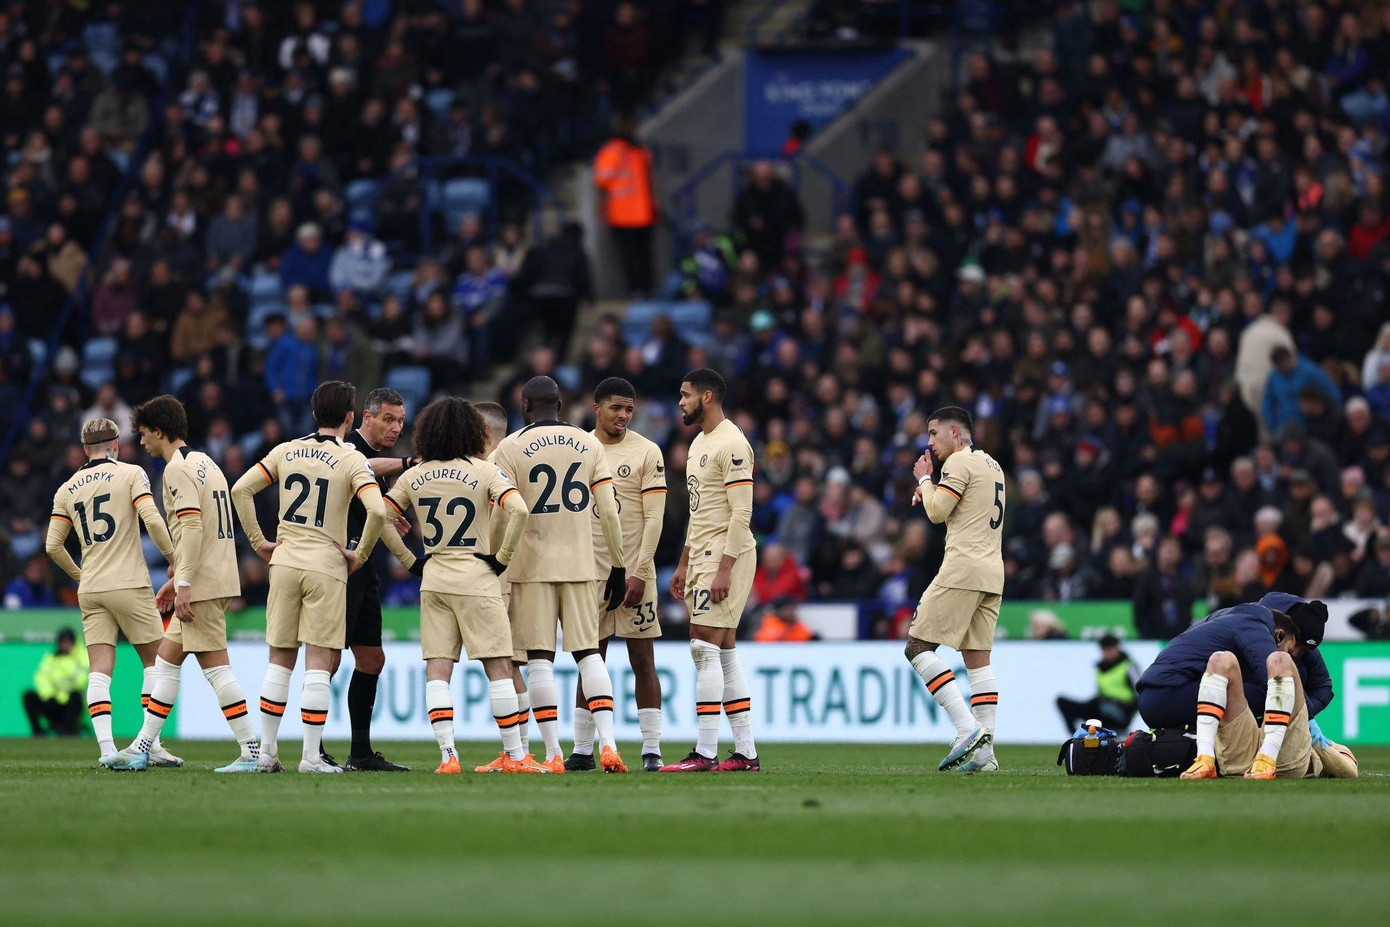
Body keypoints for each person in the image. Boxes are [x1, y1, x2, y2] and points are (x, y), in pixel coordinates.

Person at [230, 381, 413, 774]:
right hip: (327, 566)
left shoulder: (286, 449)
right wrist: (359, 555)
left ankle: (267, 753)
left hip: (284, 561)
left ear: (313, 414)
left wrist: (260, 542)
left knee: (279, 662)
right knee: (319, 662)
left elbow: (241, 489)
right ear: (352, 417)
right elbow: (378, 513)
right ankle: (312, 756)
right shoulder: (349, 458)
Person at [353, 397, 542, 774]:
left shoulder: (413, 475)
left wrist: (409, 561)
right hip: (476, 577)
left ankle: (448, 757)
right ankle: (516, 757)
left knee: (438, 671)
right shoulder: (484, 471)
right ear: (473, 431)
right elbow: (519, 510)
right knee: (499, 668)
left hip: (435, 577)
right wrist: (502, 557)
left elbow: (380, 517)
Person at [100, 396, 261, 772]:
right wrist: (175, 580)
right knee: (166, 663)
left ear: (159, 431)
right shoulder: (206, 462)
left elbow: (191, 526)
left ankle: (254, 753)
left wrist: (183, 580)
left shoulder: (175, 470)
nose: (140, 442)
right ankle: (142, 747)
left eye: (143, 434)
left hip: (202, 583)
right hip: (215, 574)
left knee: (217, 669)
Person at [491, 376, 629, 773]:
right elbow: (608, 510)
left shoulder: (510, 447)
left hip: (531, 566)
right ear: (561, 404)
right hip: (581, 564)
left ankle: (553, 754)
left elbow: (504, 512)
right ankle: (609, 744)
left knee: (539, 661)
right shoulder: (589, 444)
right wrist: (617, 565)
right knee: (589, 655)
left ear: (524, 404)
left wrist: (499, 559)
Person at [44, 418, 180, 768]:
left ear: (85, 449)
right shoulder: (131, 474)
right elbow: (151, 518)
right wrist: (174, 559)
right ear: (116, 444)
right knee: (156, 664)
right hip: (130, 583)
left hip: (91, 589)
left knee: (99, 671)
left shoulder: (67, 488)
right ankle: (149, 744)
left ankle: (106, 749)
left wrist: (80, 575)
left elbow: (52, 546)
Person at [566, 377, 667, 772]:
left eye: (629, 409)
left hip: (635, 573)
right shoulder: (578, 449)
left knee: (642, 659)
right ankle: (581, 749)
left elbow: (655, 518)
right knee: (590, 658)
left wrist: (640, 570)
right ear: (597, 409)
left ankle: (652, 749)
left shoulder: (647, 451)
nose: (623, 416)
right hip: (588, 573)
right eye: (616, 408)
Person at [663, 368, 761, 773]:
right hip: (702, 555)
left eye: (685, 395)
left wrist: (724, 569)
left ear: (706, 397)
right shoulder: (700, 443)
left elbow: (742, 512)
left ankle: (704, 752)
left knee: (703, 647)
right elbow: (699, 512)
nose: (680, 402)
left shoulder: (733, 444)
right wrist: (684, 562)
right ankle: (746, 753)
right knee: (723, 653)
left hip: (726, 556)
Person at [904, 406, 1006, 774]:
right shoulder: (992, 465)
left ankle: (967, 730)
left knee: (917, 646)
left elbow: (936, 512)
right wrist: (931, 493)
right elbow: (955, 508)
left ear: (955, 434)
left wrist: (924, 481)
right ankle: (986, 754)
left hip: (963, 566)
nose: (929, 442)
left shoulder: (958, 463)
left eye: (934, 434)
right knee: (977, 660)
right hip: (993, 571)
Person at [1134, 593, 1333, 779]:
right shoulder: (1254, 626)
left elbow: (1323, 684)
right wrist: (1302, 717)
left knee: (1244, 690)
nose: (1294, 655)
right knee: (1261, 694)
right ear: (1280, 635)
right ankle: (1259, 756)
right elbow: (1271, 677)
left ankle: (1211, 754)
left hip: (1158, 693)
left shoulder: (1239, 616)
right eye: (1293, 648)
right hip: (1164, 696)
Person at [334, 387, 416, 772]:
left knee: (371, 659)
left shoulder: (375, 461)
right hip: (339, 569)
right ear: (366, 417)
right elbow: (362, 467)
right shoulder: (346, 448)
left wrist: (387, 517)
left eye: (400, 420)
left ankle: (360, 754)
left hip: (364, 571)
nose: (396, 427)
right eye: (388, 419)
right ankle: (311, 749)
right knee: (327, 660)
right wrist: (409, 462)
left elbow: (373, 506)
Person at [473, 400, 537, 768]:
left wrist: (495, 561)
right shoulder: (517, 456)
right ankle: (520, 751)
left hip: (498, 572)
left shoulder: (493, 466)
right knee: (510, 663)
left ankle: (520, 752)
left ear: (482, 432)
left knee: (504, 663)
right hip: (519, 570)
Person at [592, 117, 656, 296]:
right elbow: (601, 180)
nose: (634, 129)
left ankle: (646, 289)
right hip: (622, 214)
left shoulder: (638, 150)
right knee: (630, 257)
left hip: (643, 213)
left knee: (643, 256)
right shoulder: (612, 151)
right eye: (630, 126)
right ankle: (636, 289)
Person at [1055, 634, 1138, 733]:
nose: (1107, 652)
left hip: (1121, 710)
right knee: (1063, 702)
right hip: (1102, 706)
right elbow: (1101, 692)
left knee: (1097, 705)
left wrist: (1129, 712)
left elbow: (1139, 692)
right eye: (1104, 649)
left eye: (1110, 649)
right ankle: (1074, 735)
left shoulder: (1127, 666)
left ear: (1117, 648)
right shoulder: (1100, 668)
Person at [23, 628, 87, 737]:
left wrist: (61, 690)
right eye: (62, 642)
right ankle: (38, 732)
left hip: (70, 702)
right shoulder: (51, 657)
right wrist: (49, 694)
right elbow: (41, 677)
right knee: (28, 696)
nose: (64, 645)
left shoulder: (82, 656)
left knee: (75, 696)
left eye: (67, 642)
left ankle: (69, 729)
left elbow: (82, 680)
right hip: (52, 700)